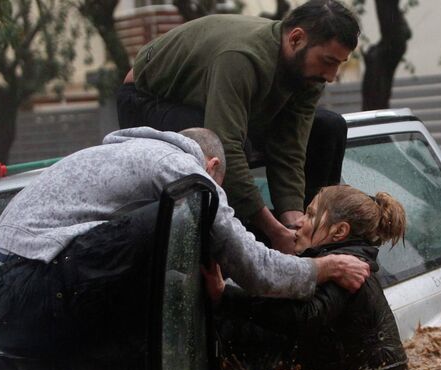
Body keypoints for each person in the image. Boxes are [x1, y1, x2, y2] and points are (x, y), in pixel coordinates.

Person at [0, 127, 370, 370]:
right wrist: (321, 267)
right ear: (212, 166)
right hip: (22, 288)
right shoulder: (181, 171)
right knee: (178, 216)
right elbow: (254, 268)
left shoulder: (120, 157)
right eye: (221, 186)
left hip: (6, 307)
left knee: (163, 254)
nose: (218, 197)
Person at [116, 0, 360, 254]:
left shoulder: (309, 73)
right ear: (296, 39)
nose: (331, 76)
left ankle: (308, 241)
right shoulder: (241, 57)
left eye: (338, 64)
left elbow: (289, 148)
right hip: (146, 100)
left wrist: (294, 222)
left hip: (208, 101)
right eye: (328, 61)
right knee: (227, 149)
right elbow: (227, 145)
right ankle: (239, 247)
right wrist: (272, 228)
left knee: (327, 127)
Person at [208, 184, 409, 370]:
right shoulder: (342, 260)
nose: (299, 222)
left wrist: (225, 295)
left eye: (311, 215)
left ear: (339, 231)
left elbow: (303, 317)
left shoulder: (347, 269)